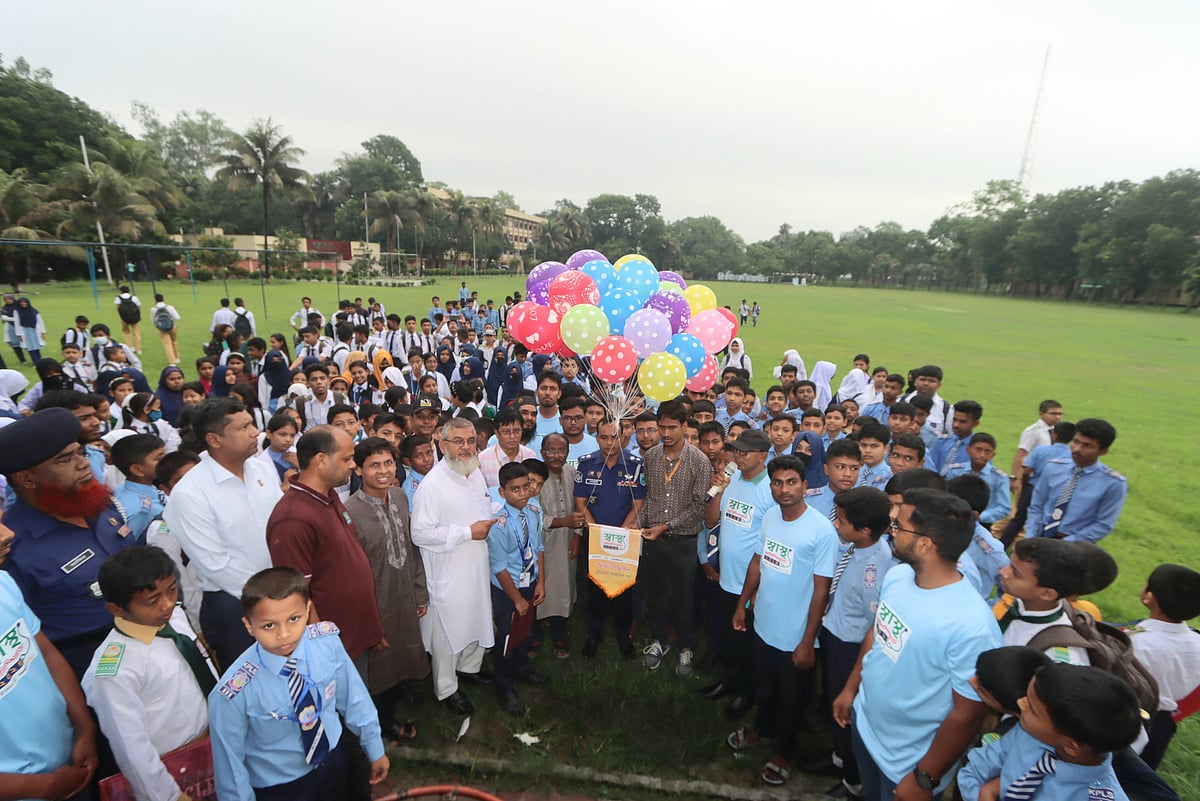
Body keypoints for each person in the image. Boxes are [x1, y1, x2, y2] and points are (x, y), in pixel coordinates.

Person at [833, 487, 1003, 801]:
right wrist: (850, 689)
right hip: (866, 726)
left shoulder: (972, 626)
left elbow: (967, 714)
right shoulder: (898, 577)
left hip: (907, 764)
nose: (891, 532)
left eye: (898, 526)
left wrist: (925, 777)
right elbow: (878, 633)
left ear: (925, 544)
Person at [208, 567, 389, 801]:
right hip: (281, 786)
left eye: (293, 619)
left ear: (307, 610)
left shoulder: (327, 645)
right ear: (249, 625)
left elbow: (355, 699)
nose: (284, 634)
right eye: (269, 626)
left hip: (332, 761)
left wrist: (374, 748)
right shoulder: (234, 691)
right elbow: (230, 765)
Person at [726, 454, 837, 787]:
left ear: (805, 486)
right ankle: (762, 729)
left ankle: (786, 752)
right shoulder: (772, 516)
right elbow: (758, 563)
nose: (784, 489)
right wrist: (742, 604)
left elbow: (821, 591)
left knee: (793, 699)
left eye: (792, 482)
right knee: (764, 687)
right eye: (777, 482)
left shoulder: (821, 530)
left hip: (796, 637)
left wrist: (807, 641)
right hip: (763, 626)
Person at [0, 408, 136, 677]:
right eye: (64, 459)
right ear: (26, 478)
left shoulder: (100, 506)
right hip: (90, 669)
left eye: (80, 453)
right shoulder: (14, 549)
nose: (83, 464)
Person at [82, 545, 216, 801]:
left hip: (212, 744)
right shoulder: (114, 671)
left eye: (171, 590)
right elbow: (132, 749)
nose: (167, 604)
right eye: (152, 601)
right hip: (175, 770)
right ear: (116, 609)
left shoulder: (173, 618)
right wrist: (170, 796)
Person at [163, 398, 283, 670]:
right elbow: (215, 564)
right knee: (252, 681)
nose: (256, 432)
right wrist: (273, 597)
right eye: (244, 427)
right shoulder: (190, 493)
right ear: (214, 440)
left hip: (281, 592)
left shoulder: (261, 469)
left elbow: (280, 526)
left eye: (253, 424)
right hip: (235, 604)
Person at [0, 506, 100, 801]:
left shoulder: (4, 584)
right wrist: (43, 788)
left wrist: (84, 729)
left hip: (70, 763)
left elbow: (48, 654)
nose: (8, 534)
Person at [267, 425, 386, 673]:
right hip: (332, 647)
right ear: (321, 460)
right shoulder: (293, 519)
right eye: (347, 458)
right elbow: (297, 596)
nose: (353, 465)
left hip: (353, 632)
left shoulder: (329, 498)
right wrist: (322, 647)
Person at [410, 418, 498, 716]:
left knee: (475, 618)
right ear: (442, 444)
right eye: (457, 441)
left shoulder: (472, 472)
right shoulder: (431, 486)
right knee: (447, 631)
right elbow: (419, 533)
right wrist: (466, 533)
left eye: (470, 441)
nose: (465, 447)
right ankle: (446, 687)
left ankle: (469, 668)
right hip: (448, 571)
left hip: (476, 566)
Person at [345, 437, 429, 743]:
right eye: (374, 465)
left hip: (404, 595)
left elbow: (410, 547)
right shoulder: (349, 512)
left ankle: (395, 706)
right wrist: (367, 617)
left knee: (403, 655)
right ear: (358, 468)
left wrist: (419, 591)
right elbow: (351, 572)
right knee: (378, 669)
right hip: (375, 603)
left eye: (388, 463)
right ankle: (380, 726)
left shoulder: (399, 496)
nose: (383, 471)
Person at [958, 663, 1141, 801]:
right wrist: (983, 793)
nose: (1021, 703)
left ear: (1072, 746)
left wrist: (991, 789)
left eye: (1033, 710)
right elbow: (972, 772)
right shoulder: (1028, 735)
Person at [818, 486, 896, 799]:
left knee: (844, 711)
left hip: (850, 648)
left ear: (863, 530)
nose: (836, 525)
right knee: (831, 701)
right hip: (834, 633)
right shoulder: (856, 548)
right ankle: (840, 757)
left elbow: (872, 627)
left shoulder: (875, 571)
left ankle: (854, 778)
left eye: (842, 521)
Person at [638, 399, 713, 676]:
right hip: (654, 541)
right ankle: (659, 640)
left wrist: (666, 525)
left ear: (685, 426)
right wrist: (638, 524)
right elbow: (651, 499)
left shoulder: (699, 461)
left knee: (685, 597)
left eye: (672, 427)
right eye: (662, 427)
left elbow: (698, 506)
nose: (666, 433)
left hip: (684, 541)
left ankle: (685, 647)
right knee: (657, 594)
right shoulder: (652, 457)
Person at [703, 428, 775, 720]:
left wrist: (756, 590)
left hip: (752, 585)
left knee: (748, 645)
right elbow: (710, 521)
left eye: (745, 451)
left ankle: (746, 694)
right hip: (726, 578)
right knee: (727, 637)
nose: (738, 456)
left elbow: (770, 545)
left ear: (763, 455)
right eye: (736, 451)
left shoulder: (770, 490)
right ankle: (728, 681)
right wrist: (719, 490)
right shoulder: (732, 481)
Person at [575, 417, 646, 660]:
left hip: (625, 539)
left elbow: (638, 504)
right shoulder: (586, 464)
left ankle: (622, 635)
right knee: (595, 589)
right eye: (603, 437)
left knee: (624, 590)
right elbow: (580, 503)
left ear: (624, 436)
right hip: (595, 539)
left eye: (614, 437)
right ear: (596, 438)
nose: (609, 442)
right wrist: (597, 533)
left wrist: (619, 533)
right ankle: (594, 635)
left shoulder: (636, 465)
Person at [487, 462, 548, 715]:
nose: (523, 493)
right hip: (507, 590)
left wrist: (541, 581)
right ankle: (504, 684)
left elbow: (539, 548)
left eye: (527, 487)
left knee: (525, 631)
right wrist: (516, 600)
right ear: (502, 492)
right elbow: (499, 568)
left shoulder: (534, 511)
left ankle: (522, 669)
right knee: (507, 637)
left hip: (530, 583)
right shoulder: (499, 526)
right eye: (515, 490)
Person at [1126, 564, 1200, 769]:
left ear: (1149, 596)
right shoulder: (1197, 641)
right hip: (1165, 722)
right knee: (1141, 775)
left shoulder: (1134, 642)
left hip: (1127, 714)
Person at [1027, 417, 1127, 542]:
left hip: (1074, 544)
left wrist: (1065, 544)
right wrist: (1030, 537)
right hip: (1041, 535)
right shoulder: (1053, 467)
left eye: (1087, 446)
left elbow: (1103, 525)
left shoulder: (1113, 483)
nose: (1077, 449)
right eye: (1076, 442)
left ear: (1103, 451)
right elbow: (1037, 505)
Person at [536, 433, 584, 659]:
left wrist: (577, 535)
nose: (556, 455)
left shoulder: (573, 474)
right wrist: (562, 521)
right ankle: (534, 634)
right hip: (542, 544)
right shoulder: (535, 478)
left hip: (566, 542)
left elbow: (580, 509)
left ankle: (558, 634)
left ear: (567, 453)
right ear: (542, 453)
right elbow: (533, 515)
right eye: (550, 451)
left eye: (561, 451)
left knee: (564, 587)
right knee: (541, 586)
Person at [111, 433, 166, 544]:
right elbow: (132, 546)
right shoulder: (140, 511)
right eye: (159, 459)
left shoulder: (128, 489)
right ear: (138, 470)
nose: (167, 462)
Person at [1008, 399, 1063, 500]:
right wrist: (1014, 478)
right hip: (1031, 480)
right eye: (1053, 413)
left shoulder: (1055, 431)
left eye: (1060, 414)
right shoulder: (1034, 432)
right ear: (1042, 414)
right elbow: (1021, 453)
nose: (1058, 417)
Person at [478, 407, 536, 488]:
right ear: (497, 433)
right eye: (506, 432)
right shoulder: (482, 459)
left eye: (516, 431)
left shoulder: (530, 456)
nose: (512, 436)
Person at [149, 293, 181, 364]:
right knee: (174, 342)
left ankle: (172, 361)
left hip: (161, 328)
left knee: (167, 344)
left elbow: (153, 320)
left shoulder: (153, 309)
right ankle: (177, 357)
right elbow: (177, 317)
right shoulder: (170, 307)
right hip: (172, 326)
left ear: (155, 300)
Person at [11, 296, 46, 363]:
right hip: (25, 330)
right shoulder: (17, 311)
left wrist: (43, 331)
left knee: (37, 346)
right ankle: (35, 361)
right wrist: (19, 334)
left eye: (24, 302)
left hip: (35, 330)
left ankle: (39, 360)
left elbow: (40, 320)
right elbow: (17, 323)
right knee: (30, 347)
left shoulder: (33, 310)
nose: (23, 304)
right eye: (21, 302)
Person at [113, 286, 142, 353]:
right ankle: (138, 349)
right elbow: (138, 307)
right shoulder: (134, 298)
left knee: (126, 332)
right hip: (134, 317)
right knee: (136, 333)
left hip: (124, 318)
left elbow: (118, 308)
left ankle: (130, 347)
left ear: (121, 291)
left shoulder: (118, 298)